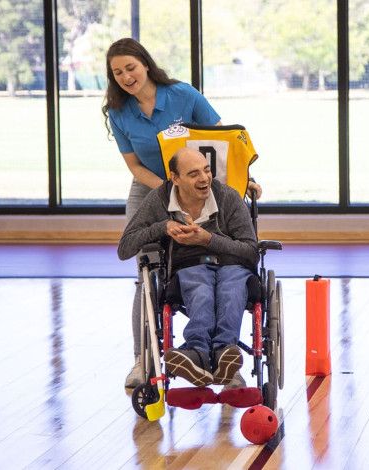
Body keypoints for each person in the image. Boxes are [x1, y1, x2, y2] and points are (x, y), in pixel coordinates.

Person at [102, 38, 260, 388]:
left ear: (145, 63)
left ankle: (223, 358)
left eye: (130, 67)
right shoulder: (118, 111)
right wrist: (169, 190)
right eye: (118, 72)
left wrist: (245, 179)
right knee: (147, 274)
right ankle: (143, 359)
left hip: (200, 181)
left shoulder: (183, 96)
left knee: (223, 266)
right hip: (152, 187)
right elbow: (133, 165)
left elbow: (225, 143)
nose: (126, 76)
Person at [117, 147, 257, 386]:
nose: (204, 178)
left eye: (207, 170)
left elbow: (251, 251)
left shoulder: (227, 197)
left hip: (232, 263)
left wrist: (208, 240)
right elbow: (125, 248)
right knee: (200, 290)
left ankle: (223, 352)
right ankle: (197, 353)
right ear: (175, 178)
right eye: (193, 174)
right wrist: (163, 226)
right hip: (189, 264)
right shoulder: (159, 199)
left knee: (230, 288)